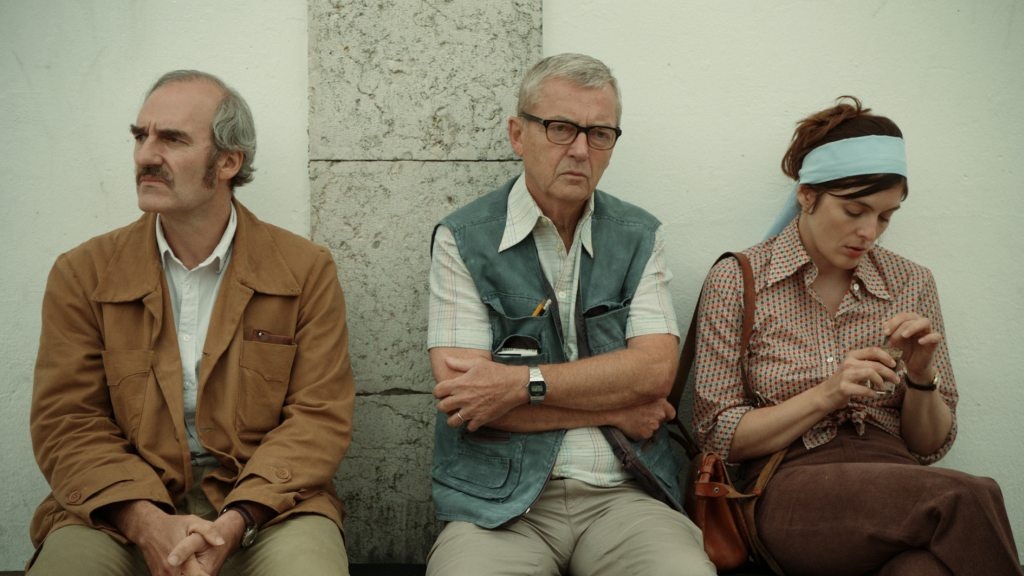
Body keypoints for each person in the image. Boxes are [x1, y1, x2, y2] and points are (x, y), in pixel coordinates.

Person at [27, 70, 354, 576]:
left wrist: (237, 521)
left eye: (172, 139)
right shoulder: (83, 273)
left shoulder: (305, 270)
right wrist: (146, 523)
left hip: (268, 507)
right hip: (117, 508)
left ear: (228, 162)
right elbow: (67, 421)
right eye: (141, 136)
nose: (146, 155)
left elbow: (319, 417)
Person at [693, 96, 1022, 575]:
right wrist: (828, 394)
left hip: (896, 483)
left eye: (886, 216)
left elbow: (929, 445)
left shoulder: (910, 282)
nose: (870, 232)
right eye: (854, 210)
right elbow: (718, 434)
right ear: (807, 195)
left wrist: (921, 376)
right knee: (968, 495)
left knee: (922, 571)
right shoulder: (739, 280)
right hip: (789, 488)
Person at [425, 53, 715, 576]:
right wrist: (613, 408)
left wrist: (519, 385)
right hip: (499, 507)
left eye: (599, 133)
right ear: (518, 135)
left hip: (626, 496)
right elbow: (466, 402)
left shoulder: (639, 236)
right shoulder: (463, 239)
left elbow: (655, 373)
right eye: (561, 128)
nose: (581, 150)